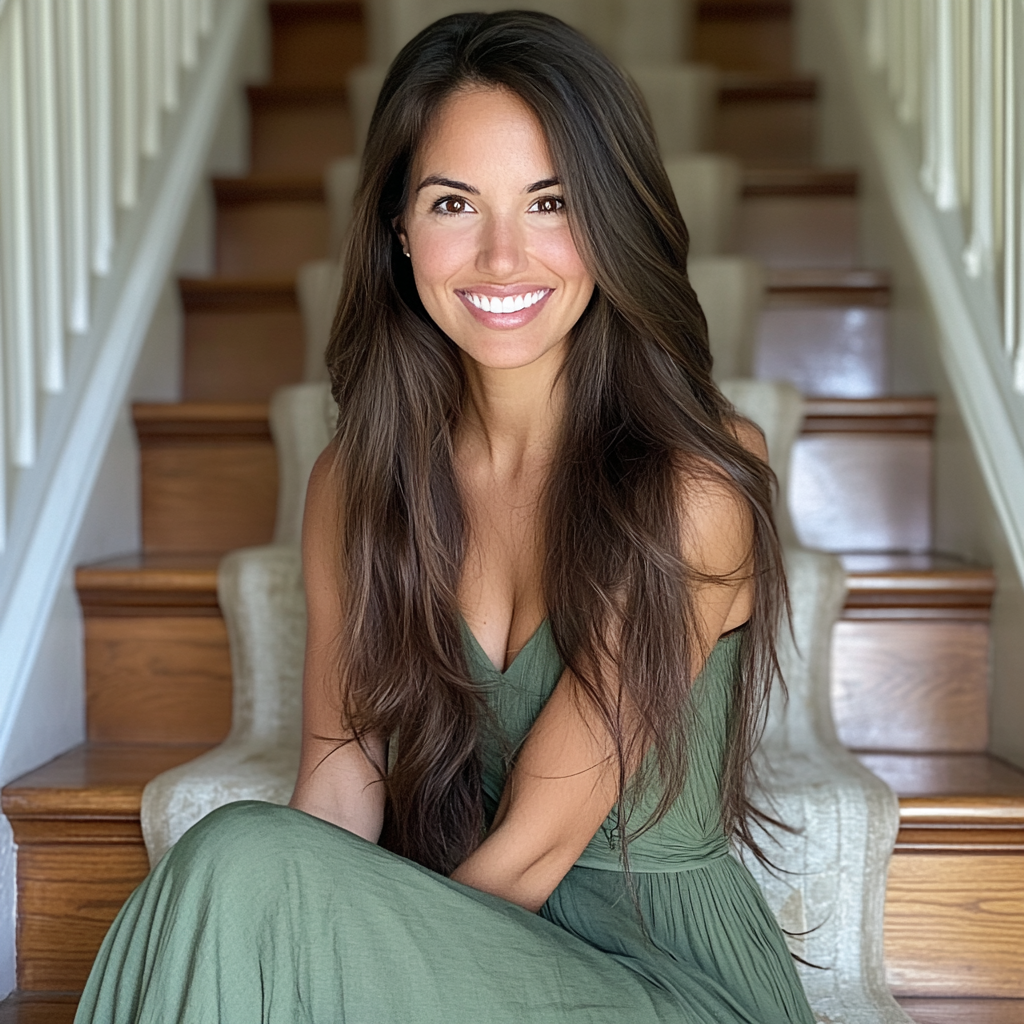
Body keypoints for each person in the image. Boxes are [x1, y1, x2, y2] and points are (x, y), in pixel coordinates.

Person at [75, 12, 815, 1023]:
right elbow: (338, 793)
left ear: (610, 221)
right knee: (246, 864)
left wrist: (330, 954)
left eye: (550, 202)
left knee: (242, 862)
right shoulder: (356, 481)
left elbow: (536, 849)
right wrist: (299, 928)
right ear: (399, 226)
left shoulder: (690, 486)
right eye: (454, 202)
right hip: (464, 939)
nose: (501, 257)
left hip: (657, 977)